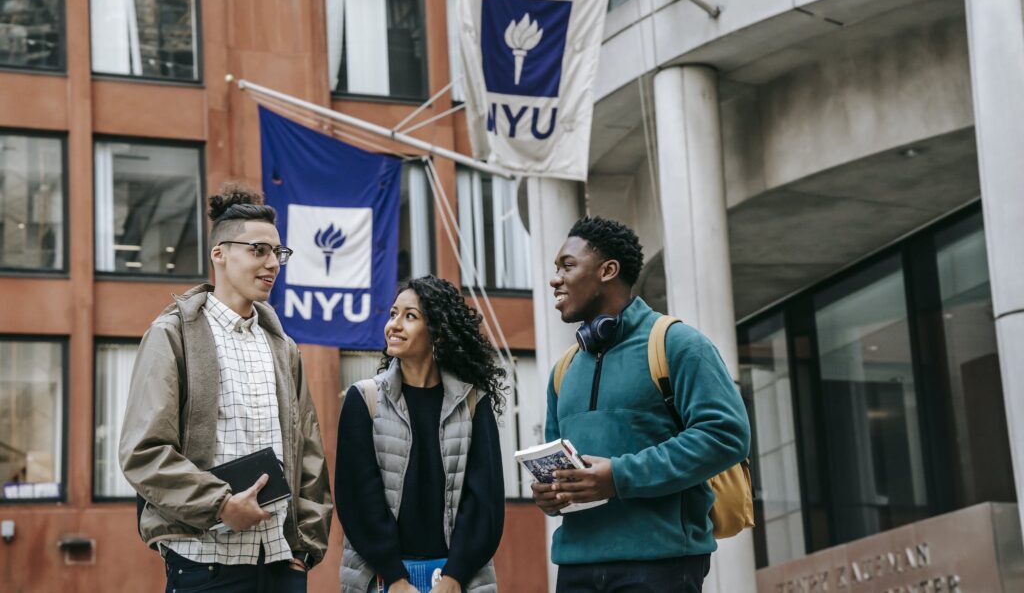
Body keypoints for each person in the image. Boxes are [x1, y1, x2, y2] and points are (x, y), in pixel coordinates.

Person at [119, 185, 333, 593]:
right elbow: (144, 452)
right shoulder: (173, 335)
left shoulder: (283, 347)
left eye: (278, 253)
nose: (272, 263)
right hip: (203, 564)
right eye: (259, 250)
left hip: (279, 564)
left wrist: (304, 549)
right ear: (220, 254)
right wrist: (220, 505)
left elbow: (309, 454)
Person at [532, 217, 751, 593]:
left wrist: (617, 477)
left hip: (661, 564)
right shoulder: (563, 370)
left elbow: (726, 435)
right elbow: (559, 460)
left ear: (608, 270)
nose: (555, 279)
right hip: (575, 567)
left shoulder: (677, 344)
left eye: (568, 266)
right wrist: (553, 494)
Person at [336, 276, 506, 593]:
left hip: (460, 581)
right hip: (381, 580)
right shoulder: (364, 400)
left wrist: (454, 577)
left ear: (438, 333)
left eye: (410, 316)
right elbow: (358, 500)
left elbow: (485, 501)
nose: (394, 325)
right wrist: (396, 578)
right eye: (393, 314)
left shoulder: (473, 402)